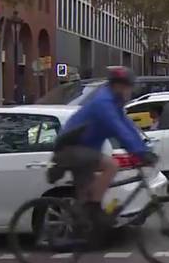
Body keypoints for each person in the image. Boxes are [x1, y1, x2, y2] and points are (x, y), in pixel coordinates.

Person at [50, 66, 157, 228]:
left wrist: (143, 150)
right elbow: (118, 129)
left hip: (83, 151)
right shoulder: (104, 103)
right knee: (112, 165)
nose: (130, 92)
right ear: (119, 86)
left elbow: (127, 126)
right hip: (71, 150)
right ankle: (93, 209)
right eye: (129, 88)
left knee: (87, 194)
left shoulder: (113, 103)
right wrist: (140, 153)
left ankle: (83, 228)